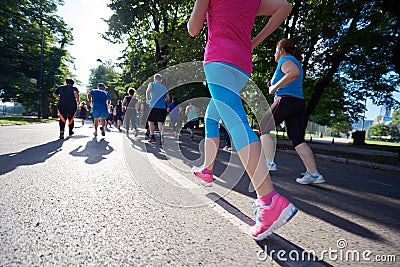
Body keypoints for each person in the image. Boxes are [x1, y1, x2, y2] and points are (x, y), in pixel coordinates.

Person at [188, 0, 295, 240]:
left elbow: (193, 29)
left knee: (237, 125)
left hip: (218, 59)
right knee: (212, 117)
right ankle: (207, 169)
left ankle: (268, 201)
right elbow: (285, 7)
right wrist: (253, 41)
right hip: (242, 65)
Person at [259, 38, 325, 185]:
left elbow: (293, 73)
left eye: (275, 50)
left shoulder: (286, 60)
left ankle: (269, 162)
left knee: (263, 127)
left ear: (281, 50)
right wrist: (274, 83)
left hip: (285, 100)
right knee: (297, 140)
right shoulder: (294, 62)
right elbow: (292, 75)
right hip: (298, 103)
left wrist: (274, 87)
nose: (274, 54)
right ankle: (313, 174)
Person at [146, 74, 170, 145]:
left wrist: (147, 99)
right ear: (161, 80)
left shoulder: (152, 84)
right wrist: (163, 101)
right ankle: (161, 137)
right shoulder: (164, 87)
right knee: (160, 123)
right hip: (162, 107)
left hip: (153, 105)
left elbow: (148, 91)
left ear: (154, 79)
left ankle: (152, 137)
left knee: (151, 121)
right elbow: (168, 98)